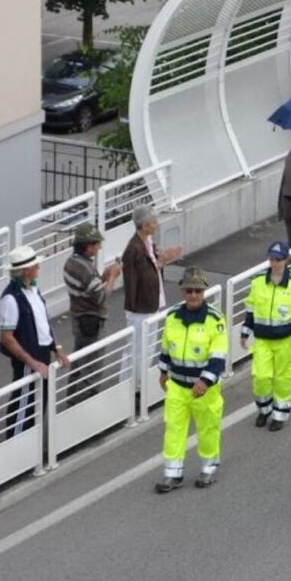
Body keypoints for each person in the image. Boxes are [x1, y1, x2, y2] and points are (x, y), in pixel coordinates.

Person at [153, 267, 226, 493]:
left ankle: (208, 468)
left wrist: (204, 381)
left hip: (204, 390)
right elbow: (166, 347)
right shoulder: (173, 316)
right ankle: (172, 474)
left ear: (203, 292)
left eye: (197, 291)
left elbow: (218, 357)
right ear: (183, 291)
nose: (192, 295)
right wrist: (163, 371)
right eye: (188, 291)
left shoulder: (215, 320)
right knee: (174, 429)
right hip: (177, 386)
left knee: (207, 429)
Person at [240, 241, 291, 432]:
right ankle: (264, 410)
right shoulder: (258, 282)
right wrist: (245, 332)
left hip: (286, 342)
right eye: (272, 259)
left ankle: (279, 415)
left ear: (286, 260)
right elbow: (251, 309)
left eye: (279, 259)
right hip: (263, 340)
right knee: (261, 378)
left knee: (283, 380)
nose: (275, 263)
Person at [0, 246, 70, 435]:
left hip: (42, 353)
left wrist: (58, 348)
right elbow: (7, 338)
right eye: (35, 265)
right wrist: (31, 361)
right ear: (26, 271)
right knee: (25, 405)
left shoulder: (34, 290)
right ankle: (16, 447)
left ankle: (32, 450)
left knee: (39, 403)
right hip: (29, 359)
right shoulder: (10, 299)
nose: (38, 267)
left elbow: (44, 322)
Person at [62, 222, 121, 402]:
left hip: (79, 320)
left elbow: (88, 288)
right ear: (88, 247)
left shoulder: (72, 263)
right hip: (91, 322)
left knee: (79, 364)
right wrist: (112, 277)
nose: (99, 247)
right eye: (97, 244)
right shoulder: (85, 268)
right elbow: (101, 296)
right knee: (92, 367)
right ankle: (83, 406)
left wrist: (102, 277)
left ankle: (71, 400)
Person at [122, 205, 181, 335]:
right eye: (154, 222)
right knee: (138, 348)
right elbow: (136, 279)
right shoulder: (134, 249)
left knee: (148, 346)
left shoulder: (147, 242)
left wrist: (163, 260)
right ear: (144, 226)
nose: (157, 224)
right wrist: (162, 260)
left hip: (150, 304)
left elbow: (149, 269)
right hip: (141, 309)